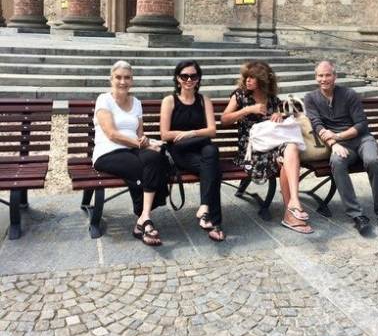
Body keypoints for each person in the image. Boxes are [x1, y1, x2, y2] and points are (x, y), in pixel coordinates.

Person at [222, 60, 313, 234]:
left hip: (272, 145)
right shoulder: (240, 95)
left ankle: (293, 203)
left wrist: (279, 115)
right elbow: (224, 119)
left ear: (263, 80)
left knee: (291, 147)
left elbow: (282, 122)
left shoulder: (272, 99)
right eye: (246, 77)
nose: (248, 80)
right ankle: (291, 214)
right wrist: (248, 110)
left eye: (252, 77)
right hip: (251, 151)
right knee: (285, 160)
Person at [304, 59, 378, 234]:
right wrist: (334, 144)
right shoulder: (311, 98)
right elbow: (317, 125)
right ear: (316, 78)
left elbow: (361, 124)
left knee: (372, 160)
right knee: (337, 162)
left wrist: (337, 136)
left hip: (362, 139)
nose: (324, 79)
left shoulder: (349, 94)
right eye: (320, 76)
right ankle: (357, 215)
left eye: (327, 75)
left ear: (335, 76)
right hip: (341, 145)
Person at [93, 60, 168, 246]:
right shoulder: (104, 100)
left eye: (127, 78)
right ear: (111, 79)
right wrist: (142, 144)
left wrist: (147, 142)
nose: (122, 81)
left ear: (132, 80)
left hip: (133, 150)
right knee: (146, 168)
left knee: (155, 158)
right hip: (108, 152)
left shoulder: (136, 103)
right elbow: (111, 134)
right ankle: (144, 221)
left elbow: (139, 135)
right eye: (118, 77)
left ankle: (143, 218)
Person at [160, 60, 225, 242]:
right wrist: (191, 134)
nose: (189, 80)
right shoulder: (169, 101)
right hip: (180, 152)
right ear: (177, 78)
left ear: (198, 79)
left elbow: (212, 130)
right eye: (184, 76)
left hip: (202, 148)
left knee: (211, 151)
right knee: (213, 169)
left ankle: (205, 208)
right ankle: (214, 220)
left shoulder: (204, 101)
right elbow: (165, 134)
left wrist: (191, 133)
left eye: (193, 76)